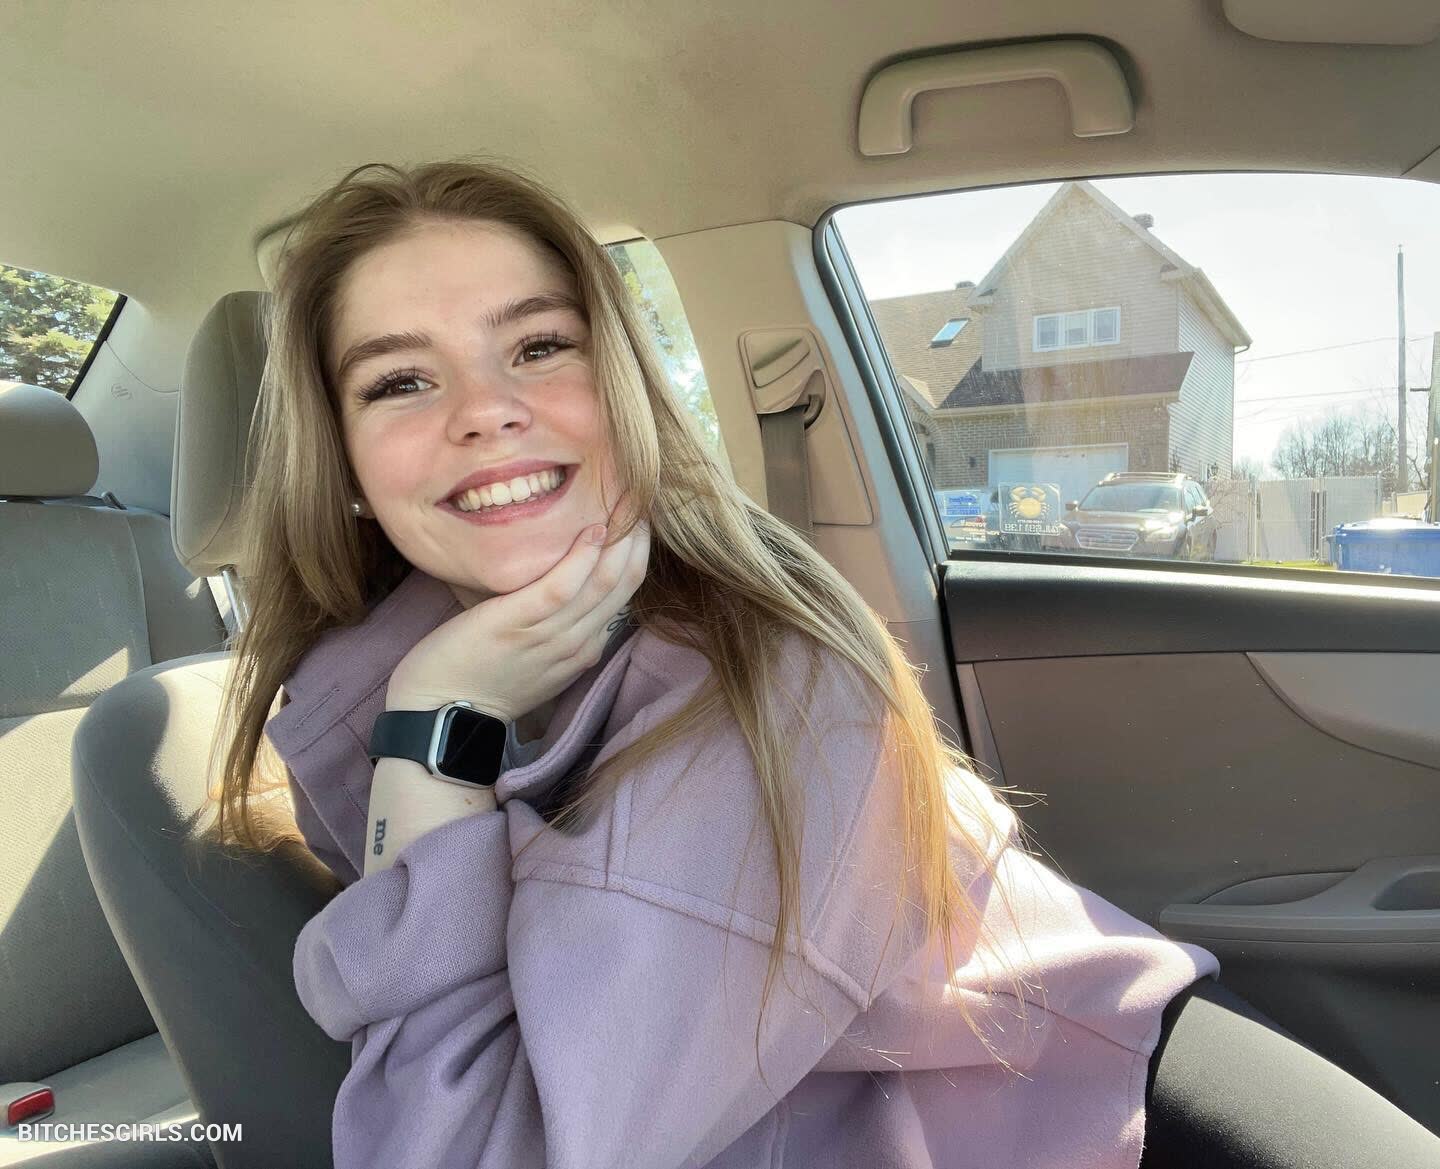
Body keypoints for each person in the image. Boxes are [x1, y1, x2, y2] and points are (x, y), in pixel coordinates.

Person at [211, 160, 1440, 1169]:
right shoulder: (373, 671)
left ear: (625, 391)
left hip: (1045, 1118)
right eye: (401, 378)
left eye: (538, 346)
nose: (484, 408)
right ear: (346, 464)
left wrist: (438, 726)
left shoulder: (755, 694)